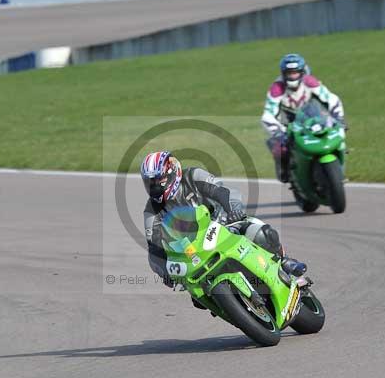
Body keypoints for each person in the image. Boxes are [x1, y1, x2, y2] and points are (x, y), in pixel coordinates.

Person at [140, 151, 307, 296]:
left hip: (224, 225)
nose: (153, 187)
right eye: (149, 183)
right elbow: (154, 248)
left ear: (171, 173)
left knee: (262, 233)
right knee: (196, 295)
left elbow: (222, 192)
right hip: (194, 253)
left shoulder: (193, 176)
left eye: (157, 181)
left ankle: (285, 262)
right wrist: (165, 272)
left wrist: (233, 209)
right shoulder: (151, 211)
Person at [261, 53, 347, 182]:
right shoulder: (277, 88)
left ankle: (339, 170)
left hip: (311, 116)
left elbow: (331, 98)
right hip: (286, 121)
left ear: (302, 72)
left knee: (335, 136)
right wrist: (278, 132)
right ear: (283, 73)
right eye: (289, 73)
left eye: (295, 72)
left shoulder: (310, 81)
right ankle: (284, 170)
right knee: (281, 148)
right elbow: (268, 115)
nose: (292, 76)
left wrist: (339, 118)